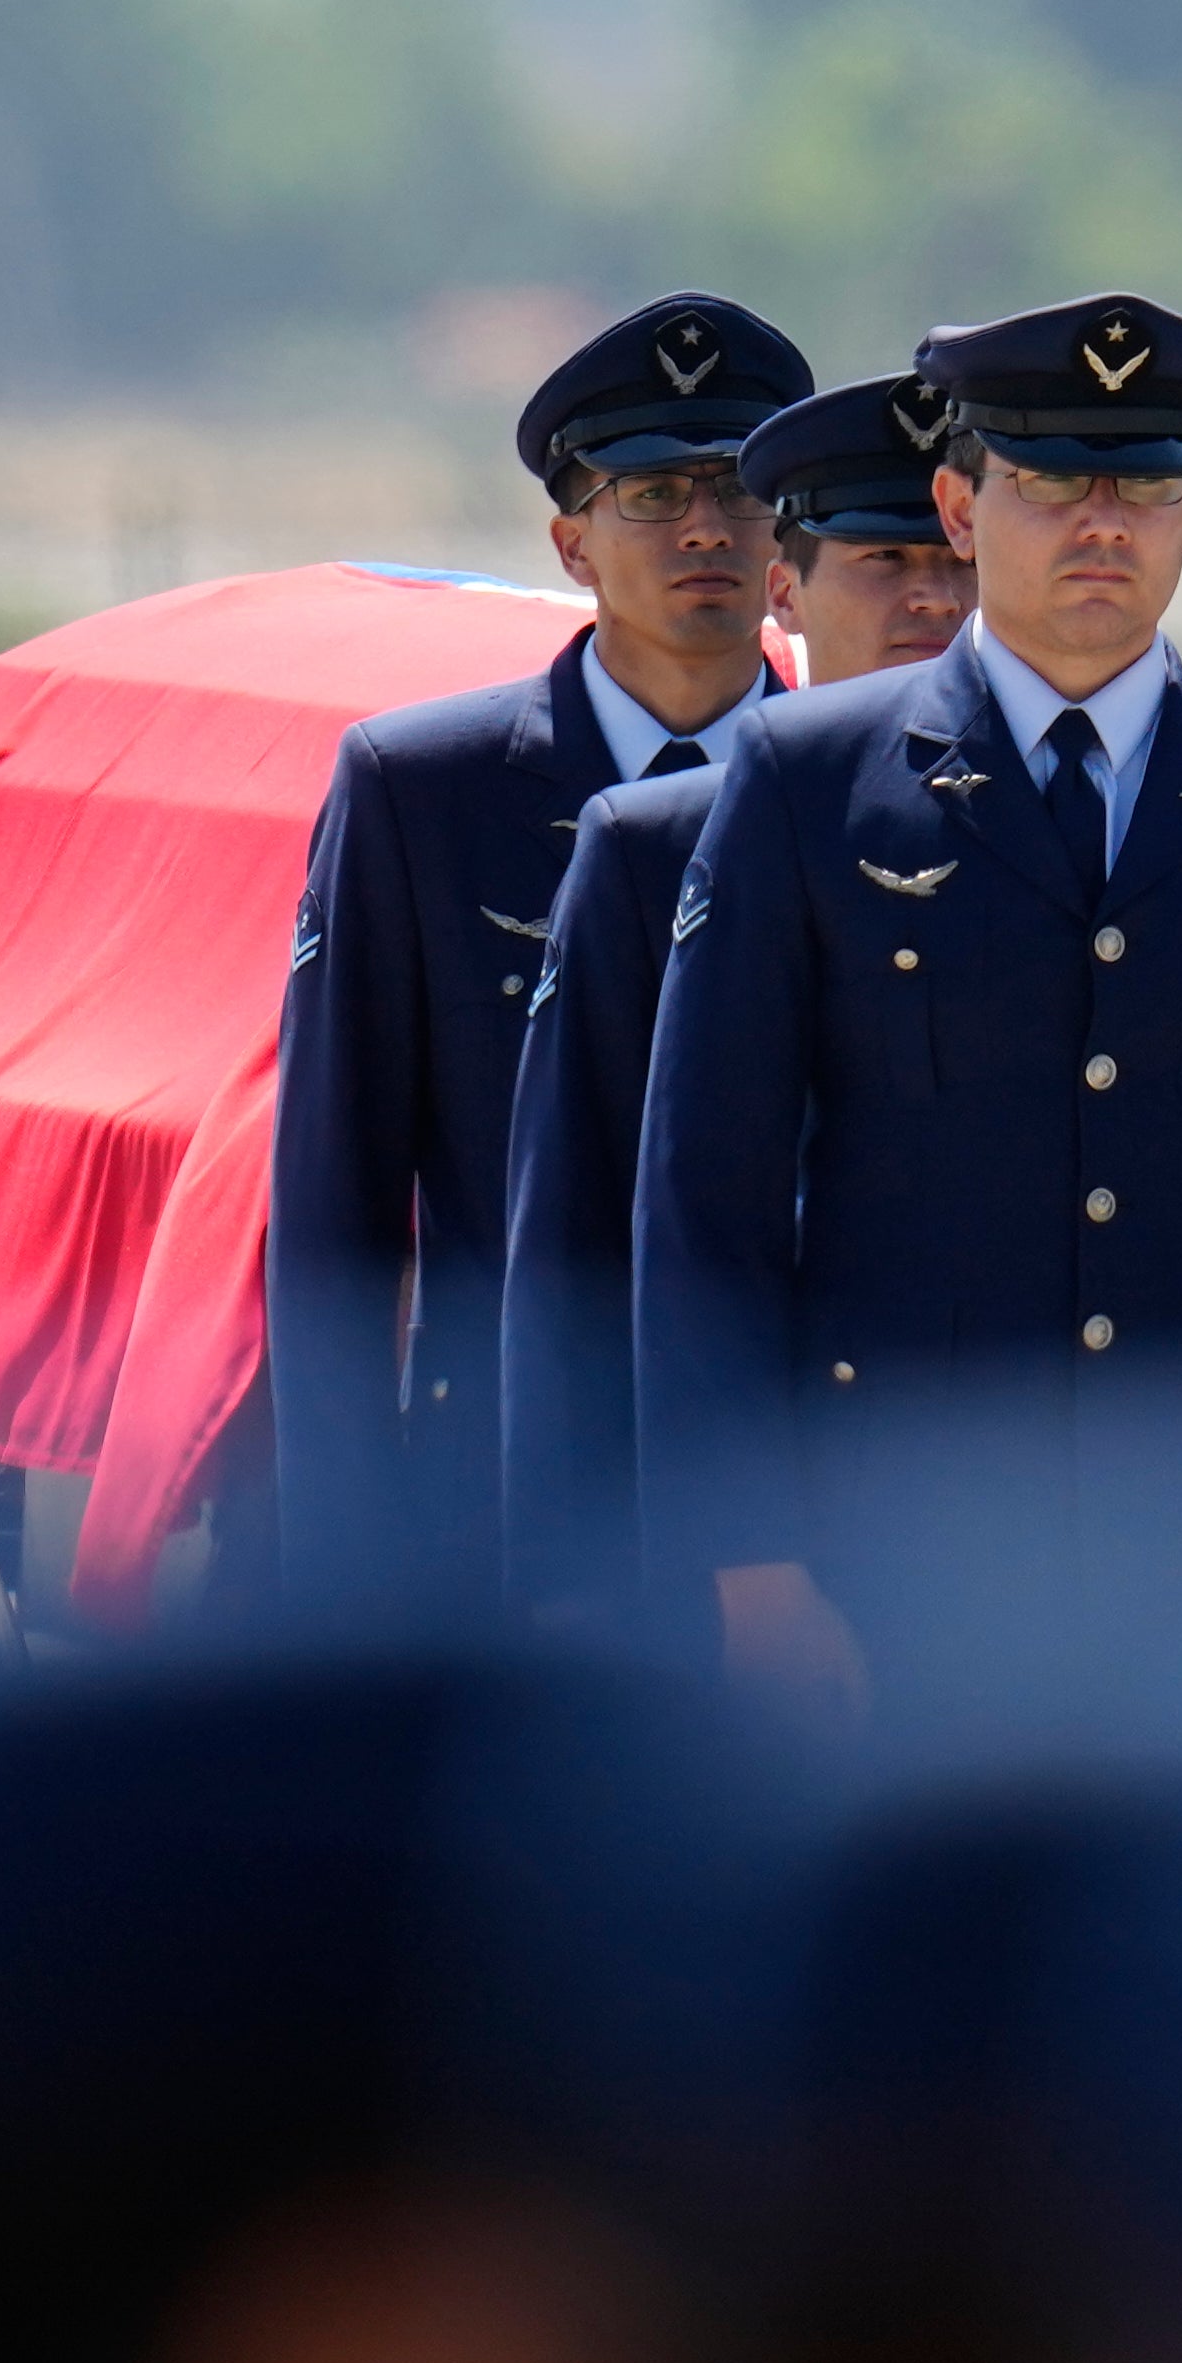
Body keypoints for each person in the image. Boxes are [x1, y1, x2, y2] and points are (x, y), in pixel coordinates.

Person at [634, 295, 1182, 1729]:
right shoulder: (808, 781)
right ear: (959, 503)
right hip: (893, 1576)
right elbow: (704, 1209)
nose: (1104, 522)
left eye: (1149, 484)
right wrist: (754, 1570)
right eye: (1050, 480)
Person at [272, 294, 812, 1626]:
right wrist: (346, 1567)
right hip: (507, 1501)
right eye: (652, 495)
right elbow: (337, 1210)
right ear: (570, 543)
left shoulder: (880, 798)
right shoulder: (424, 794)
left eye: (742, 491)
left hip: (800, 1500)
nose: (705, 529)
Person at [501, 372, 976, 1646]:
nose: (929, 600)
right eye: (882, 562)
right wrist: (578, 1567)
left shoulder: (1072, 834)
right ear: (789, 588)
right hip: (742, 1537)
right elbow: (584, 1229)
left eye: (956, 562)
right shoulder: (654, 847)